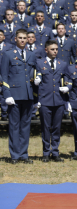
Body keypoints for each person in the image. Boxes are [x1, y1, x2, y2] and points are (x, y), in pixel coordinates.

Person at [1, 29, 36, 164]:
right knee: (14, 126)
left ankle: (24, 154)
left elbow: (34, 73)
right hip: (14, 96)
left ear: (28, 40)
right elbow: (4, 76)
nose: (22, 40)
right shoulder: (8, 54)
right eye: (20, 38)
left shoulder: (31, 55)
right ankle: (15, 155)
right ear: (15, 39)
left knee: (25, 126)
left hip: (27, 95)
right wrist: (7, 94)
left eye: (24, 38)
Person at [34, 40, 70, 163]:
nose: (55, 51)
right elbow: (36, 79)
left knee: (56, 127)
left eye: (56, 49)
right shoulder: (39, 63)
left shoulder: (62, 64)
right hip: (45, 100)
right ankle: (45, 152)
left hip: (59, 100)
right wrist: (37, 99)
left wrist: (68, 87)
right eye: (52, 49)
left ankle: (55, 152)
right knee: (45, 127)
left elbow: (68, 78)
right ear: (46, 50)